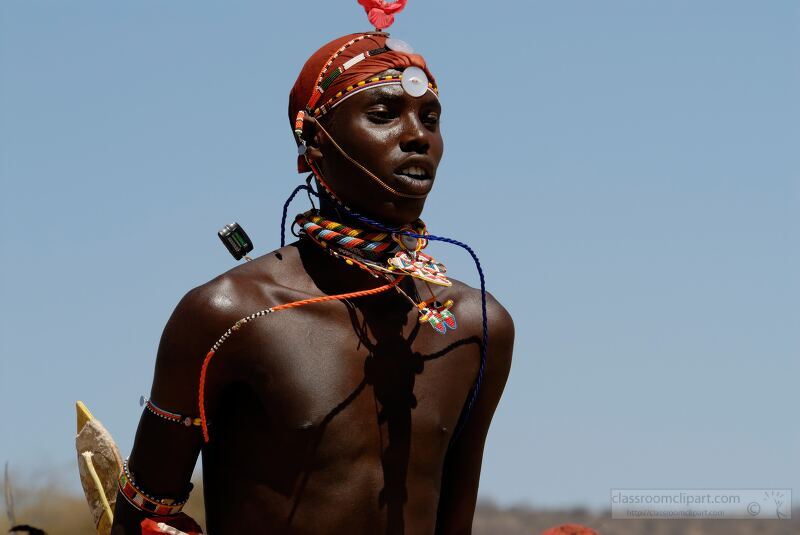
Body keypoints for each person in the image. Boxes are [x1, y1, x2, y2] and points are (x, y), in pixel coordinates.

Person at [110, 5, 514, 534]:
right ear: (313, 145)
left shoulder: (477, 327)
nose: (418, 136)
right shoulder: (228, 315)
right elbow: (141, 519)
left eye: (431, 119)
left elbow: (452, 521)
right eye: (384, 113)